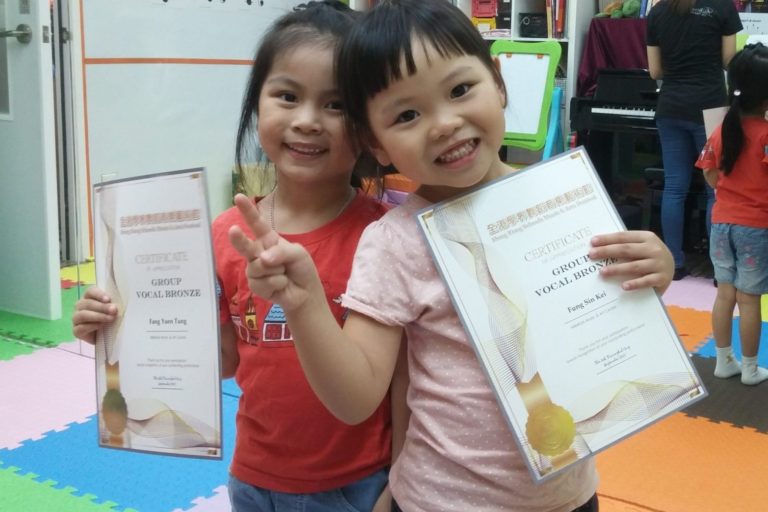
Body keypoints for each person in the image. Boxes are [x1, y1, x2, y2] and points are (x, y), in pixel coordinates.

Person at [227, 1, 675, 511]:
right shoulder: (394, 243)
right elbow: (356, 399)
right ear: (376, 143)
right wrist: (305, 304)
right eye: (407, 115)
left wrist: (652, 274)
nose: (443, 124)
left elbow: (607, 323)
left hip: (570, 495)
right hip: (442, 501)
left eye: (460, 90)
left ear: (499, 84)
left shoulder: (565, 200)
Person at [73, 2, 399, 511]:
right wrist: (118, 328)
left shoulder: (384, 237)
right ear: (257, 103)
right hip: (253, 478)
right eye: (287, 96)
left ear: (367, 126)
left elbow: (403, 383)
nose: (307, 121)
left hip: (355, 485)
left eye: (336, 105)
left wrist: (399, 482)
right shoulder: (225, 234)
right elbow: (223, 358)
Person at [646, 0, 743, 280]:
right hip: (710, 106)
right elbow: (729, 61)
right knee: (715, 188)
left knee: (675, 187)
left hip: (671, 107)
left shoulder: (657, 11)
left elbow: (655, 72)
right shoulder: (722, 7)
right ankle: (719, 267)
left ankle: (674, 264)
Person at [695, 42, 768, 385]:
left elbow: (710, 175)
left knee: (725, 293)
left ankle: (724, 360)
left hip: (721, 223)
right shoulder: (765, 134)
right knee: (749, 299)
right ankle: (751, 368)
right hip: (755, 228)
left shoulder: (722, 128)